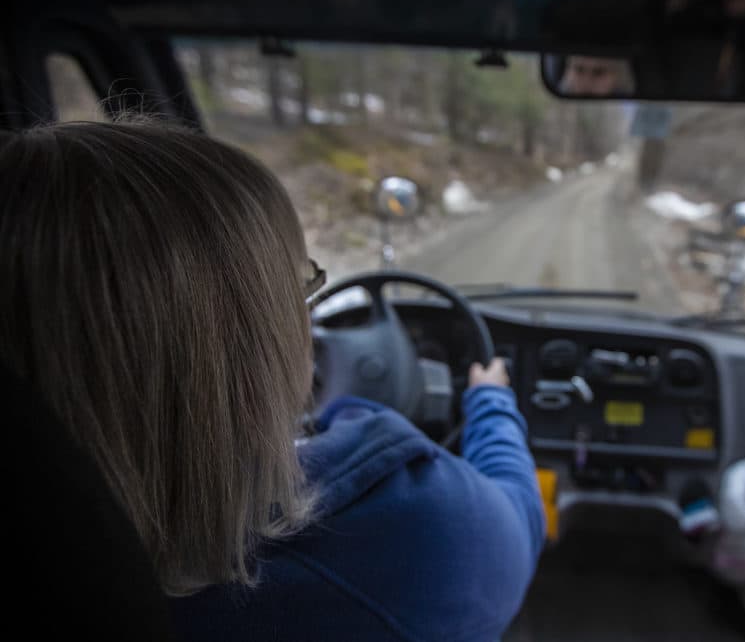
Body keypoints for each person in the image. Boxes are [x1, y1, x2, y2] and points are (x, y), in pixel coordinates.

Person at [0, 121, 545, 641]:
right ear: (256, 344)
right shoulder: (413, 533)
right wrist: (491, 400)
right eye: (299, 290)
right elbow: (520, 526)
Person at [558, 54, 635, 96]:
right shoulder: (562, 88)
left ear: (619, 77)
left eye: (599, 72)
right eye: (579, 69)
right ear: (568, 72)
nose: (586, 81)